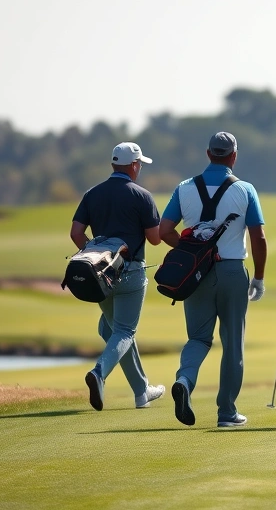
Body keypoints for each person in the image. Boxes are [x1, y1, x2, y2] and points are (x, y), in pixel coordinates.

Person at [159, 132, 268, 428]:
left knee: (197, 338)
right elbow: (258, 236)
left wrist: (190, 252)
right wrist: (258, 276)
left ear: (209, 154)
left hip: (197, 273)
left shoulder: (184, 188)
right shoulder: (245, 189)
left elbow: (164, 230)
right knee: (232, 343)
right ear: (233, 156)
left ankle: (184, 379)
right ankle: (227, 413)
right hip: (233, 272)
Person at [70, 142, 165, 411]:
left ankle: (141, 391)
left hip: (100, 275)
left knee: (110, 328)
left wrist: (97, 255)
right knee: (124, 330)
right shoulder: (142, 195)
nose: (140, 169)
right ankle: (99, 373)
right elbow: (155, 239)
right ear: (133, 165)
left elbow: (77, 233)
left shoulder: (92, 194)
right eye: (140, 165)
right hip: (131, 272)